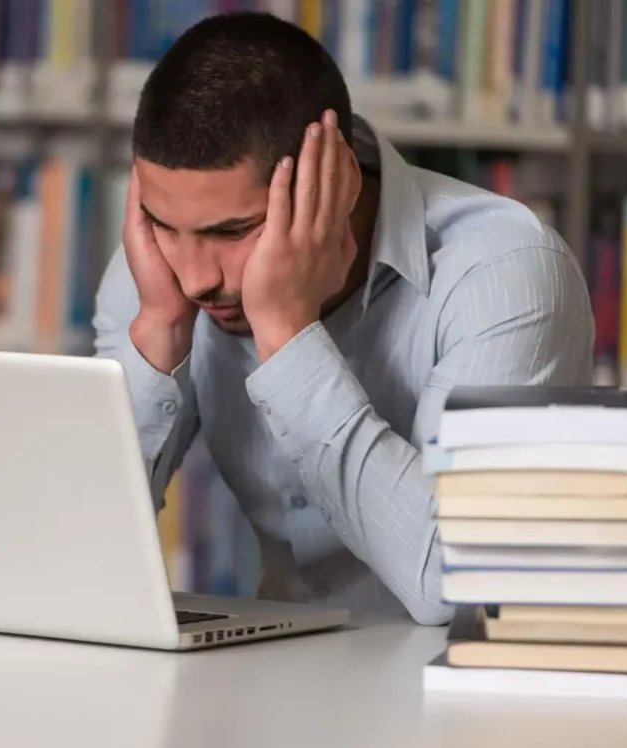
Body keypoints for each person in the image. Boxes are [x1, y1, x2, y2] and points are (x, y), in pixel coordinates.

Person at [92, 12, 594, 625]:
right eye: (165, 224)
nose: (196, 278)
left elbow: (457, 583)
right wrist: (160, 338)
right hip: (282, 681)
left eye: (232, 231)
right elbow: (73, 556)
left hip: (473, 695)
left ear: (337, 184)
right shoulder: (159, 279)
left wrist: (287, 336)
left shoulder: (504, 272)